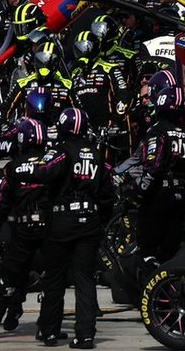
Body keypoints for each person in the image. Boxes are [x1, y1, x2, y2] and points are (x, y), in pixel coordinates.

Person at [31, 107, 115, 348]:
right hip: (89, 221)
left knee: (55, 277)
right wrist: (101, 218)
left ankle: (49, 331)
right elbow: (108, 193)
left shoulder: (61, 151)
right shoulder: (98, 155)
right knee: (84, 279)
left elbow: (41, 173)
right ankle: (85, 334)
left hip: (62, 221)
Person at [0, 118, 50, 339]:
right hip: (50, 230)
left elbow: (1, 203)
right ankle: (45, 325)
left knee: (8, 273)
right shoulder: (56, 161)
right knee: (52, 277)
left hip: (23, 230)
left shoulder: (13, 168)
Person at [130, 85, 185, 263]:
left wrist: (139, 194)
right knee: (171, 251)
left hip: (159, 195)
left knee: (147, 251)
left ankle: (148, 286)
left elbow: (154, 166)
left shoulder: (158, 131)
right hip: (182, 195)